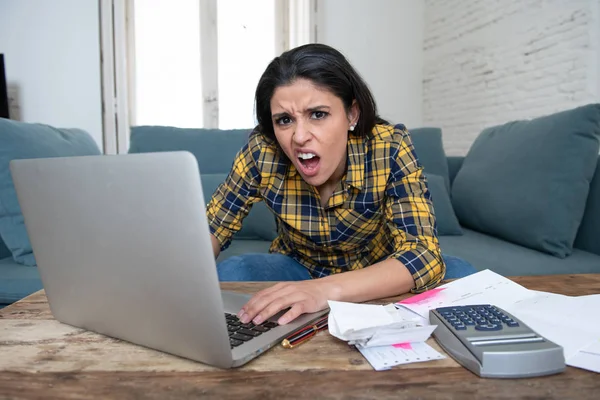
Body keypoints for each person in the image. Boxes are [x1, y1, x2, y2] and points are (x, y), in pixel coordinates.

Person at [207, 43, 476, 327]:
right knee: (233, 270)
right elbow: (214, 227)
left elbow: (422, 255)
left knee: (464, 277)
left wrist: (324, 291)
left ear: (352, 114)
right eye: (284, 120)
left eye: (318, 114)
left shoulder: (390, 146)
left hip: (377, 276)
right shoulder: (262, 151)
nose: (299, 137)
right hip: (298, 269)